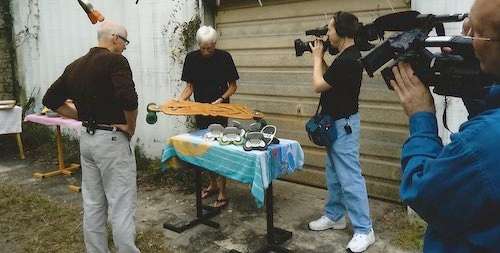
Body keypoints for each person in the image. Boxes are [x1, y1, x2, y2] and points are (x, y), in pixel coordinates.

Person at [389, 0, 500, 251]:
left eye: (477, 33)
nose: (469, 41)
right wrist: (472, 83)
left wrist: (421, 115)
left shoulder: (484, 143)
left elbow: (421, 190)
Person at [42, 21, 140, 253]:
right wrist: (131, 125)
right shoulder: (116, 61)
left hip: (87, 139)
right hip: (112, 141)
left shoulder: (75, 66)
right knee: (121, 204)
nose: (125, 47)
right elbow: (130, 99)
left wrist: (82, 115)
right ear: (115, 38)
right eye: (125, 41)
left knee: (94, 202)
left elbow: (51, 99)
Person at [307, 11, 375, 252]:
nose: (327, 34)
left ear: (342, 32)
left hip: (343, 125)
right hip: (335, 122)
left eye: (330, 29)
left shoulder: (349, 59)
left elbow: (318, 84)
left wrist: (316, 58)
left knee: (349, 177)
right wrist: (322, 57)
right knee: (334, 173)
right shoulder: (346, 56)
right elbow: (329, 79)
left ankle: (365, 230)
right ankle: (335, 215)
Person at [178, 25, 239, 208]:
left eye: (209, 48)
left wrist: (221, 99)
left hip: (220, 110)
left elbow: (233, 86)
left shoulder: (224, 57)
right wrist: (179, 102)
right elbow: (189, 88)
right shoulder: (191, 59)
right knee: (206, 147)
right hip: (201, 109)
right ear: (198, 44)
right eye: (202, 48)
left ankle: (222, 191)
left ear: (215, 43)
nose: (206, 51)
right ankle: (212, 184)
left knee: (219, 148)